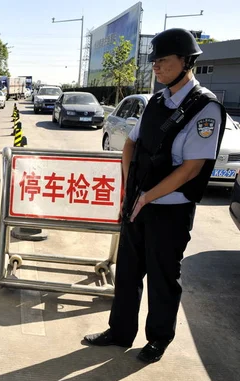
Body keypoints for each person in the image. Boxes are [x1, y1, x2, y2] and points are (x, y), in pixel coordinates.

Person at [84, 28, 226, 363]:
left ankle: (158, 339)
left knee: (163, 278)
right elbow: (131, 144)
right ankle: (119, 332)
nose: (156, 67)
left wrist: (148, 197)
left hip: (170, 209)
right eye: (154, 61)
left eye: (163, 61)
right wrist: (128, 189)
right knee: (129, 271)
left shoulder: (204, 109)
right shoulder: (156, 102)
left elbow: (191, 169)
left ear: (186, 62)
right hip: (139, 203)